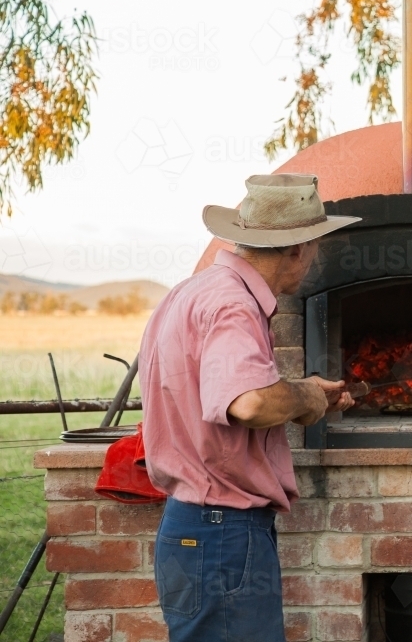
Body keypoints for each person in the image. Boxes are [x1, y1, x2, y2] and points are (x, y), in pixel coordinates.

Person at [138, 173, 360, 641]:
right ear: (298, 248)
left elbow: (229, 394)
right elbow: (249, 401)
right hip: (222, 535)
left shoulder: (189, 292)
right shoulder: (233, 305)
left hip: (191, 530)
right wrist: (306, 397)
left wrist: (304, 394)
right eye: (315, 248)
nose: (313, 259)